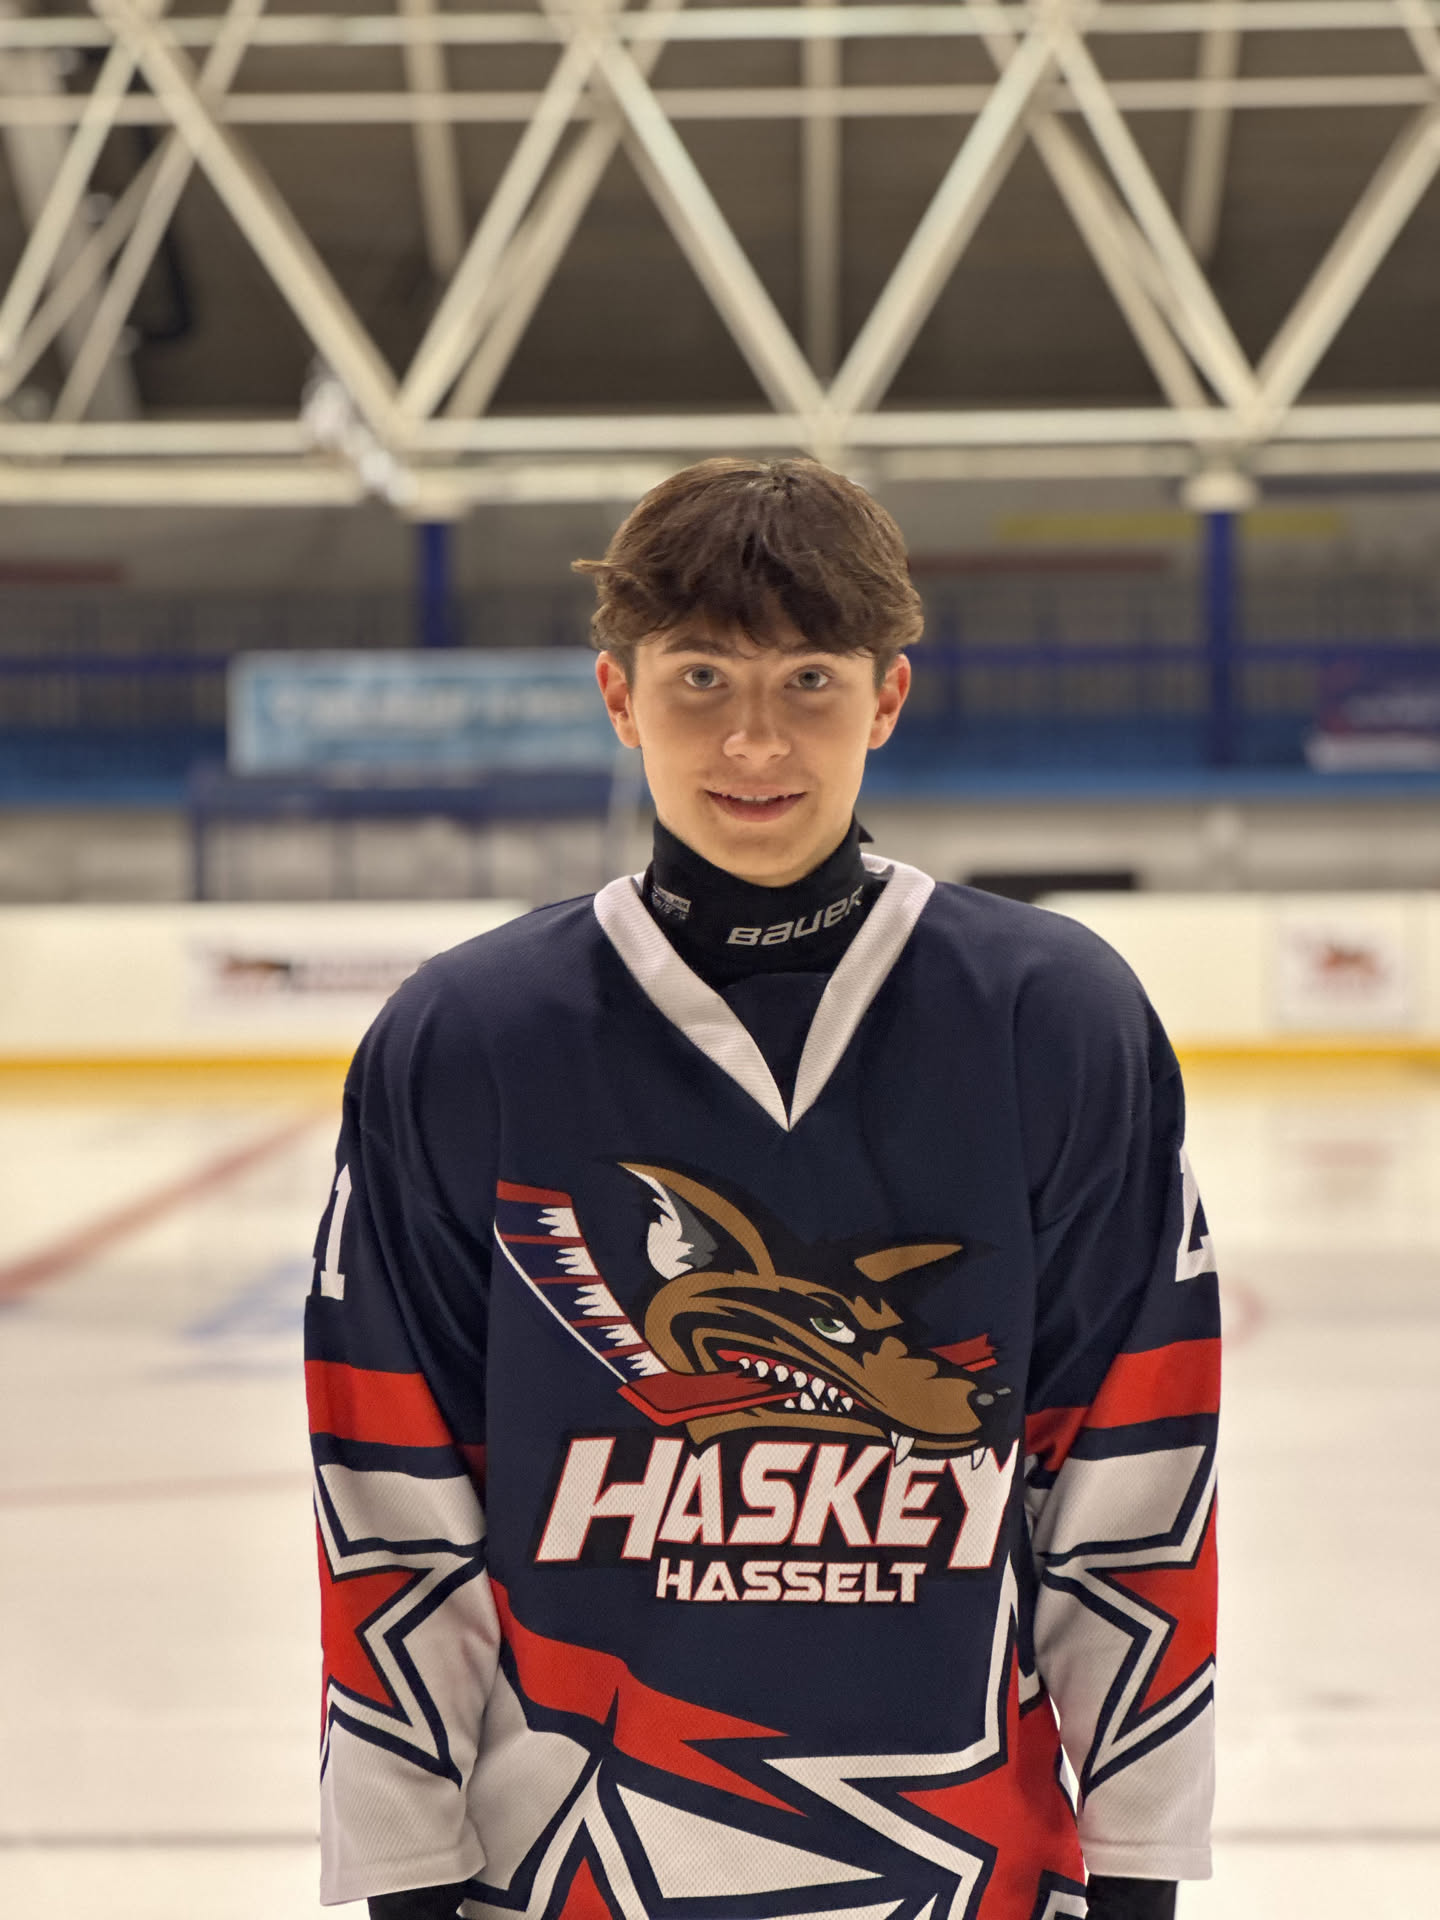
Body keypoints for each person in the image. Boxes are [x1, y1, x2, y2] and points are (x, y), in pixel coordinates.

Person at [305, 457, 1220, 1920]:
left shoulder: (1050, 1022)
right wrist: (407, 1880)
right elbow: (391, 1493)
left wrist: (1141, 1874)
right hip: (564, 1881)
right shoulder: (468, 1039)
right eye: (700, 678)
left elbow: (1133, 1481)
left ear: (887, 697)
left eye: (808, 679)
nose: (753, 739)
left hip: (967, 1878)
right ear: (618, 696)